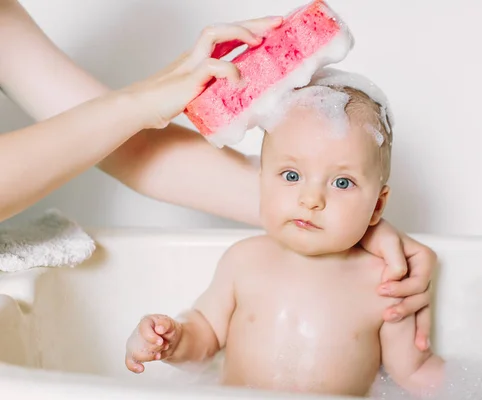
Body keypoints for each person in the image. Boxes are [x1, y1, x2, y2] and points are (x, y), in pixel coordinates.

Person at [0, 0, 436, 349]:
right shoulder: (241, 267)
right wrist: (134, 104)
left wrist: (342, 217)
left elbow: (133, 148)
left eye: (344, 183)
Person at [124, 78, 445, 398]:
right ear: (262, 181)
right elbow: (205, 335)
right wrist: (174, 341)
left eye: (342, 183)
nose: (311, 199)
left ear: (377, 206)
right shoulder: (244, 261)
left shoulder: (386, 284)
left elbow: (413, 373)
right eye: (291, 176)